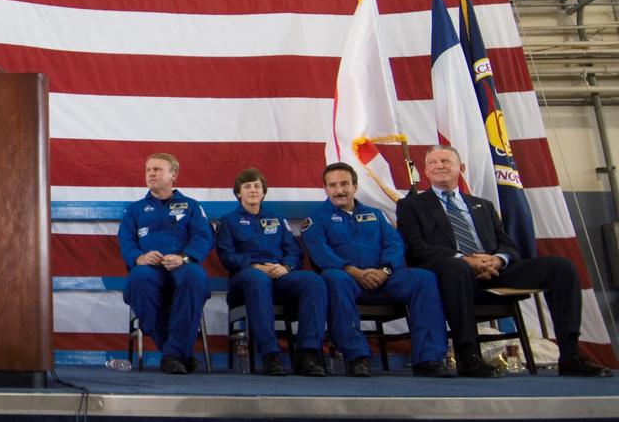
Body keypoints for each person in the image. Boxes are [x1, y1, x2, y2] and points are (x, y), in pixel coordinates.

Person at [396, 144, 611, 377]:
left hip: (495, 271)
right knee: (456, 267)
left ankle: (570, 355)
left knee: (561, 267)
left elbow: (508, 244)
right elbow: (417, 248)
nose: (439, 166)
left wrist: (498, 260)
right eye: (432, 163)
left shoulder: (483, 206)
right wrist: (467, 260)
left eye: (445, 161)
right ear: (426, 172)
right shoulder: (411, 205)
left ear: (461, 168)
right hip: (451, 274)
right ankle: (469, 356)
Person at [301, 162, 450, 377]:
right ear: (325, 189)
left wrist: (385, 270)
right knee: (333, 278)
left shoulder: (376, 215)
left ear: (355, 186)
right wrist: (355, 272)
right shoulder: (315, 219)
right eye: (332, 185)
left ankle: (429, 358)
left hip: (386, 278)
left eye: (344, 184)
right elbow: (321, 253)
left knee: (423, 278)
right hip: (347, 279)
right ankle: (357, 357)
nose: (339, 190)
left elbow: (395, 244)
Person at [214, 168, 329, 376]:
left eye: (257, 186)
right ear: (238, 193)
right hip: (246, 278)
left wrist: (286, 267)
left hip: (280, 275)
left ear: (264, 191)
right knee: (257, 279)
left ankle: (308, 354)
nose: (252, 190)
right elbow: (227, 256)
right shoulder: (228, 221)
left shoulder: (276, 218)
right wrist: (254, 265)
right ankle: (270, 355)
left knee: (314, 281)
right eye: (247, 186)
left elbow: (294, 250)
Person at [117, 153, 213, 375]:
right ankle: (177, 354)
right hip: (148, 268)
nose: (151, 173)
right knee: (138, 280)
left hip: (182, 265)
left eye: (157, 169)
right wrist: (139, 258)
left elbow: (203, 237)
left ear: (173, 175)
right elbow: (126, 240)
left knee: (195, 278)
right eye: (148, 169)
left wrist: (184, 257)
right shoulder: (135, 210)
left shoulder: (191, 206)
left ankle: (172, 355)